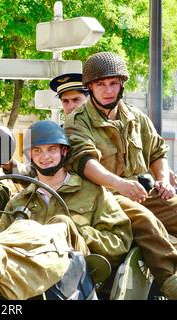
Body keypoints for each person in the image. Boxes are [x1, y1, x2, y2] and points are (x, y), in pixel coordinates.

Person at [64, 51, 177, 299]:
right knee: (145, 221)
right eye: (100, 84)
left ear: (122, 84)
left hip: (140, 190)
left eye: (113, 83)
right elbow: (85, 161)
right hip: (103, 197)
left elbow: (157, 152)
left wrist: (162, 180)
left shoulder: (135, 117)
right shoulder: (76, 121)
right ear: (90, 87)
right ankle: (171, 282)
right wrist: (121, 184)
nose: (108, 90)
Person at [0, 120, 132, 267]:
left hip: (74, 271)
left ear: (64, 151)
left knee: (62, 223)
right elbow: (2, 241)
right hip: (22, 268)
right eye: (37, 151)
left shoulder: (93, 192)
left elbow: (120, 243)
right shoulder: (20, 201)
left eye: (52, 149)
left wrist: (74, 232)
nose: (45, 156)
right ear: (30, 156)